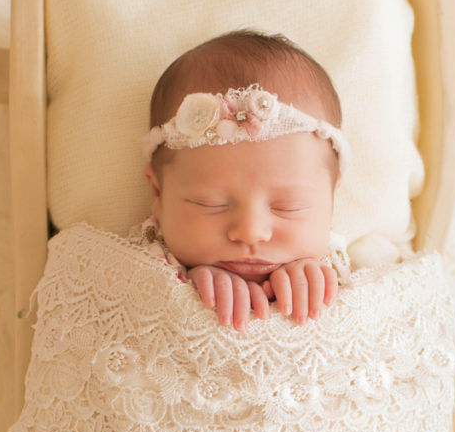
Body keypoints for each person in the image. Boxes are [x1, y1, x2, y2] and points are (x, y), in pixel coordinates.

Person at [139, 30, 350, 331]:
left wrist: (318, 282)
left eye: (289, 206)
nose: (251, 232)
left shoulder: (341, 265)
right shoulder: (142, 267)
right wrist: (185, 290)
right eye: (211, 203)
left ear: (331, 200)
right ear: (157, 193)